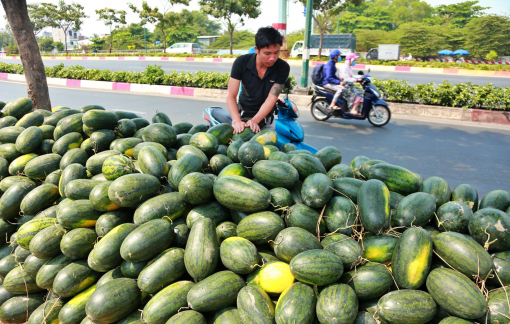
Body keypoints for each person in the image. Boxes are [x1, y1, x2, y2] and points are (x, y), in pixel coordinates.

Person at [227, 27, 290, 134]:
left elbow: (272, 98)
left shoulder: (283, 67)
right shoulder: (241, 62)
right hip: (241, 118)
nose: (272, 58)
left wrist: (255, 120)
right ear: (257, 49)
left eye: (276, 53)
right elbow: (231, 96)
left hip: (266, 121)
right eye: (267, 53)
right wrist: (237, 121)